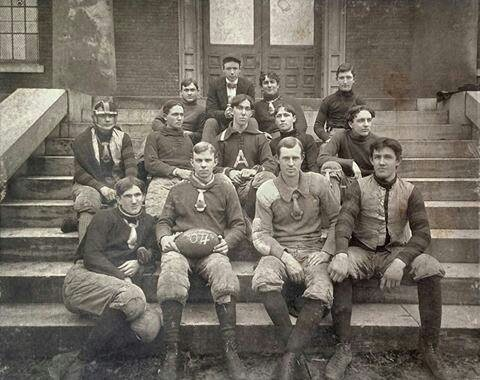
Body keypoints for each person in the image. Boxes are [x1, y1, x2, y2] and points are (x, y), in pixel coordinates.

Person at [325, 138, 446, 380]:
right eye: (377, 157)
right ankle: (343, 348)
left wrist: (401, 262)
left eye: (387, 157)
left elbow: (423, 233)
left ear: (398, 162)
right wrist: (339, 253)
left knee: (430, 267)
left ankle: (429, 345)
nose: (381, 162)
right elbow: (345, 221)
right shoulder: (358, 187)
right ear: (371, 160)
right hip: (362, 251)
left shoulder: (411, 191)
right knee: (340, 266)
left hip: (395, 252)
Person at [49, 177, 161, 380]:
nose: (134, 201)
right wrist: (122, 278)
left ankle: (93, 359)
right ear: (118, 199)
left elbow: (155, 250)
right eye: (128, 196)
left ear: (144, 197)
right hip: (85, 279)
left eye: (138, 195)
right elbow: (91, 256)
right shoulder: (104, 217)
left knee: (150, 327)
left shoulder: (148, 222)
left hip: (116, 293)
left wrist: (142, 261)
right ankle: (81, 362)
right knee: (133, 296)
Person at [156, 142, 247, 380]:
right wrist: (165, 238)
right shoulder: (178, 189)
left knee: (224, 276)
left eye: (208, 160)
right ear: (192, 162)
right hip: (181, 247)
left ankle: (230, 350)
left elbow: (239, 224)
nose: (204, 165)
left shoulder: (226, 188)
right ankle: (171, 351)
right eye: (199, 161)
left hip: (211, 249)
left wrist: (228, 241)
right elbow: (164, 220)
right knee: (171, 274)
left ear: (215, 161)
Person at [251, 136, 340, 379]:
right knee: (264, 278)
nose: (291, 163)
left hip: (313, 249)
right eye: (285, 158)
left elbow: (337, 220)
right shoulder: (267, 190)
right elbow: (261, 234)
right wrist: (284, 256)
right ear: (277, 160)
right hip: (281, 249)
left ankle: (290, 357)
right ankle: (296, 353)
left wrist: (326, 252)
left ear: (302, 158)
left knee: (322, 289)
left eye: (295, 158)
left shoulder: (319, 183)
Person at [70, 100, 137, 241]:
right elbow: (79, 173)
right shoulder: (82, 140)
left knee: (129, 201)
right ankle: (84, 254)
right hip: (90, 184)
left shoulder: (123, 138)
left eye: (111, 116)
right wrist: (101, 188)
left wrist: (126, 185)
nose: (107, 119)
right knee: (88, 202)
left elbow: (131, 166)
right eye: (102, 116)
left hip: (116, 183)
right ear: (94, 117)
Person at [216, 94, 277, 219]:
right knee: (219, 180)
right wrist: (229, 172)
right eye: (239, 108)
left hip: (251, 187)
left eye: (247, 109)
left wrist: (253, 171)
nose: (243, 113)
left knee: (268, 177)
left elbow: (270, 163)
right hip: (229, 186)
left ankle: (250, 218)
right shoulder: (221, 139)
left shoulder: (259, 137)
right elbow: (213, 167)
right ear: (232, 111)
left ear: (251, 113)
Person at [144, 100, 193, 217]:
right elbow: (151, 163)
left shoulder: (187, 139)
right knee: (156, 215)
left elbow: (192, 162)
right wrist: (176, 171)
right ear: (165, 117)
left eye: (181, 115)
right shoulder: (155, 136)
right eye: (175, 114)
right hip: (162, 181)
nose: (179, 118)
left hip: (186, 181)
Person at [202, 55, 256, 146]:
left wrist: (237, 113)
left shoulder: (248, 85)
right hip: (221, 123)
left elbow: (251, 109)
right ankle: (205, 152)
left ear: (240, 70)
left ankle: (252, 152)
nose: (232, 72)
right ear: (223, 69)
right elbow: (209, 111)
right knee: (210, 122)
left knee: (252, 121)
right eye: (228, 69)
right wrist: (224, 114)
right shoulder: (215, 85)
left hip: (241, 121)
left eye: (235, 69)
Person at [317, 105, 379, 179]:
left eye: (369, 120)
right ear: (351, 124)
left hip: (371, 181)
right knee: (331, 166)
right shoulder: (341, 136)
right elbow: (322, 158)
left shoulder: (377, 141)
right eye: (361, 120)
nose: (366, 124)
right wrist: (350, 163)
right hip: (346, 181)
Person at [313, 63, 366, 142]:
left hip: (353, 139)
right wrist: (327, 138)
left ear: (354, 79)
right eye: (341, 78)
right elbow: (318, 126)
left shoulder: (359, 101)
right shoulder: (328, 101)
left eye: (348, 77)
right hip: (333, 138)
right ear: (337, 80)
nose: (345, 81)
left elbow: (364, 123)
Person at [152, 79, 206, 145]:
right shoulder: (171, 105)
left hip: (185, 139)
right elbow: (156, 122)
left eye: (192, 90)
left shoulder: (202, 111)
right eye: (186, 90)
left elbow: (200, 134)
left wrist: (188, 134)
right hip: (166, 135)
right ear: (181, 92)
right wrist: (168, 131)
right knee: (151, 137)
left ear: (198, 92)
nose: (189, 93)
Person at [269, 102, 319, 173]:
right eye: (279, 116)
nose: (282, 119)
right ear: (275, 120)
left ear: (294, 118)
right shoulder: (273, 143)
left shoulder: (307, 139)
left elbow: (313, 166)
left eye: (286, 115)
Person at [254, 72, 307, 136]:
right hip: (267, 140)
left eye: (272, 82)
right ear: (261, 87)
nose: (269, 85)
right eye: (266, 83)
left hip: (290, 138)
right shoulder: (257, 106)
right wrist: (262, 135)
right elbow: (254, 127)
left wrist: (294, 139)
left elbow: (302, 124)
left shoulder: (291, 102)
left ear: (278, 85)